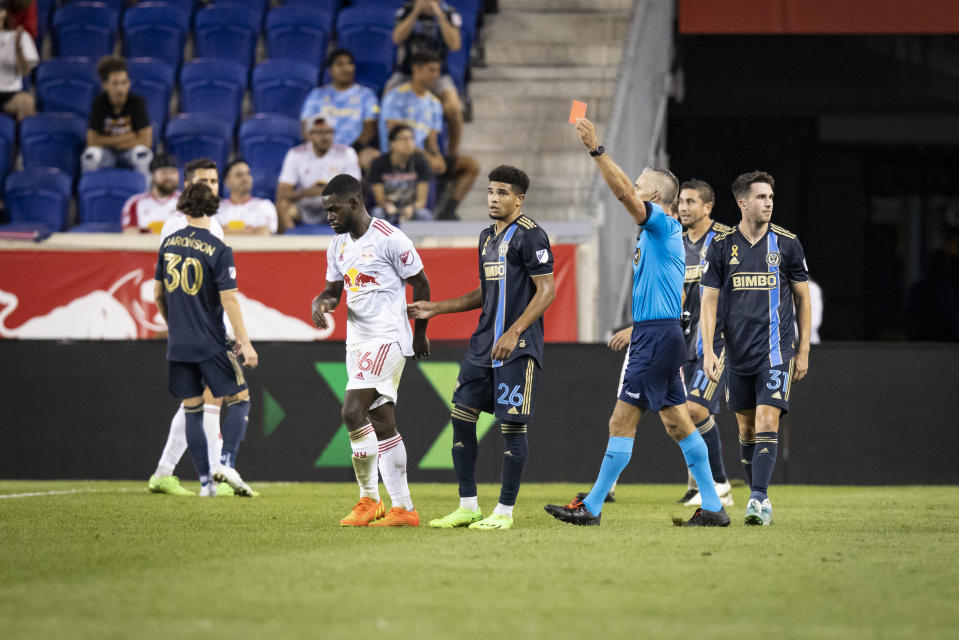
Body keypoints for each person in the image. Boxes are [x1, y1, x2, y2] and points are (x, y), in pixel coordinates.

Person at [544, 118, 729, 527]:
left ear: (655, 193)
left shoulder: (662, 224)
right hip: (659, 333)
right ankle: (714, 505)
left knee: (621, 420)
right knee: (676, 422)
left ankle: (591, 507)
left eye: (641, 182)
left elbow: (622, 191)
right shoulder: (657, 233)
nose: (635, 186)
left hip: (657, 337)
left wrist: (596, 148)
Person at [407, 165, 556, 530]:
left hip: (516, 347)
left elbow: (547, 290)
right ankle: (468, 505)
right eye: (490, 191)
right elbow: (484, 293)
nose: (493, 198)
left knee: (511, 427)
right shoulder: (486, 237)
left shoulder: (531, 236)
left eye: (502, 192)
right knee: (461, 419)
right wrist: (437, 308)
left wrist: (514, 332)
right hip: (482, 345)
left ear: (519, 199)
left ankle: (503, 512)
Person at [310, 173, 431, 527]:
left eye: (334, 210)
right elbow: (334, 289)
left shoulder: (391, 239)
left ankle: (368, 500)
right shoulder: (338, 246)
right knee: (382, 422)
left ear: (355, 203)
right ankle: (403, 508)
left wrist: (421, 333)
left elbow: (421, 282)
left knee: (352, 412)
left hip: (389, 337)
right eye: (325, 211)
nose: (329, 217)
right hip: (358, 340)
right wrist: (322, 303)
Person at [699, 170, 812, 526]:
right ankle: (757, 497)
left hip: (776, 352)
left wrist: (804, 348)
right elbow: (709, 302)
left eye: (771, 198)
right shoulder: (720, 246)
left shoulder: (788, 243)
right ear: (742, 202)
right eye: (761, 197)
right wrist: (708, 349)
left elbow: (803, 299)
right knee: (746, 430)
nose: (768, 203)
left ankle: (758, 499)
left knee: (767, 420)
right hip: (737, 354)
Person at [153, 182, 259, 498]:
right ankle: (225, 463)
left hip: (179, 344)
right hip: (210, 341)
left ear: (184, 208)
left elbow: (158, 294)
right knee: (240, 398)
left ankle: (205, 485)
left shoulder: (168, 243)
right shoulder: (217, 247)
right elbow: (229, 299)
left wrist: (175, 325)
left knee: (193, 411)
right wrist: (246, 342)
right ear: (213, 210)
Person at [675, 179, 735, 507]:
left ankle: (720, 481)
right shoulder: (677, 243)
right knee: (690, 415)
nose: (683, 207)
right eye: (681, 201)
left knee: (695, 409)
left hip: (717, 341)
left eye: (690, 201)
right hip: (682, 341)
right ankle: (709, 486)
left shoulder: (726, 241)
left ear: (707, 207)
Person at [380, 51, 478, 221]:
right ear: (416, 69)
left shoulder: (434, 103)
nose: (436, 75)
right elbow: (394, 136)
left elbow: (431, 142)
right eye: (431, 70)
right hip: (396, 156)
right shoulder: (395, 96)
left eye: (438, 71)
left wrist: (438, 157)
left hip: (421, 157)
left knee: (470, 166)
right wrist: (426, 157)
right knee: (424, 163)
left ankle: (448, 212)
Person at [387, 0, 465, 157]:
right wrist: (415, 12)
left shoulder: (450, 13)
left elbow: (455, 44)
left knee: (454, 108)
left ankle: (452, 155)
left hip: (438, 73)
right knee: (386, 99)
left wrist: (439, 15)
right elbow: (397, 37)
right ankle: (389, 151)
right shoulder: (406, 10)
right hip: (407, 72)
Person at [299, 48, 381, 171]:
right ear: (330, 70)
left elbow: (369, 130)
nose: (346, 68)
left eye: (350, 64)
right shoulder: (316, 95)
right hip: (321, 149)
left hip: (355, 151)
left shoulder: (367, 95)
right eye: (340, 64)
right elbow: (306, 130)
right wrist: (324, 150)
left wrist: (348, 152)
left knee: (373, 158)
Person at [276, 116, 361, 232]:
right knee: (282, 204)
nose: (325, 137)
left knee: (354, 204)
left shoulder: (347, 153)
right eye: (319, 133)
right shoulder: (296, 154)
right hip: (306, 201)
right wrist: (305, 192)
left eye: (329, 132)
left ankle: (349, 244)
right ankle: (291, 242)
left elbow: (356, 190)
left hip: (337, 204)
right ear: (309, 135)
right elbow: (282, 192)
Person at [81, 55, 153, 181]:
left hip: (130, 152)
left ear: (129, 83)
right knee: (90, 156)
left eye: (123, 82)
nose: (120, 88)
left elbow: (146, 141)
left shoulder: (137, 103)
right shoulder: (98, 103)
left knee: (143, 154)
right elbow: (92, 141)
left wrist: (107, 140)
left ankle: (143, 196)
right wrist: (127, 137)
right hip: (107, 154)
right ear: (105, 85)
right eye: (115, 83)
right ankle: (91, 193)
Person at [368, 124, 433, 225]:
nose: (409, 143)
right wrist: (387, 206)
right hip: (389, 209)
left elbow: (422, 201)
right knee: (377, 213)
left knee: (425, 215)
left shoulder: (420, 162)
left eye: (411, 138)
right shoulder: (379, 163)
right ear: (392, 143)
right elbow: (379, 199)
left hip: (411, 209)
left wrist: (412, 208)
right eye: (404, 139)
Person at [121, 154, 180, 234]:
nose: (169, 177)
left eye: (172, 172)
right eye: (164, 173)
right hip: (144, 246)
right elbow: (129, 232)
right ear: (152, 176)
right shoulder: (135, 202)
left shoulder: (188, 202)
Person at [216, 159, 278, 235]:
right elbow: (211, 235)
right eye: (239, 175)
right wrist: (251, 231)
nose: (245, 178)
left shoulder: (265, 205)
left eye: (248, 174)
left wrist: (225, 230)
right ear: (227, 181)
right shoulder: (216, 208)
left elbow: (265, 233)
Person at [0, 5, 37, 122]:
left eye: (1, 19)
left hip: (9, 95)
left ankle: (21, 139)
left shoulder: (20, 37)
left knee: (27, 102)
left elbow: (25, 72)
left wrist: (18, 49)